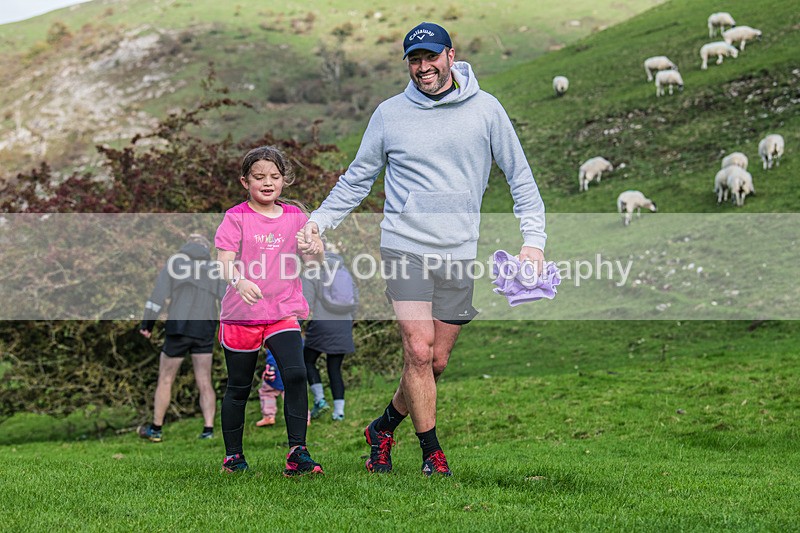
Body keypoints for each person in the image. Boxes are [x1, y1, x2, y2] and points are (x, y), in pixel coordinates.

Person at [301, 22, 547, 476]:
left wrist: (533, 243)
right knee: (417, 350)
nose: (423, 67)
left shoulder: (487, 110)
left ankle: (382, 427)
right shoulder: (390, 114)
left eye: (431, 57)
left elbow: (522, 180)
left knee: (435, 361)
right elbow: (357, 179)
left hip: (458, 251)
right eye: (414, 60)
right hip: (404, 245)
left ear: (450, 55)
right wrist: (317, 221)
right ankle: (431, 451)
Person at [215, 145, 325, 476]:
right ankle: (233, 457)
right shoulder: (236, 217)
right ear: (244, 181)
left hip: (282, 311)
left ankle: (298, 454)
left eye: (275, 177)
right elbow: (223, 263)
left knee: (295, 374)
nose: (267, 182)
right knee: (238, 385)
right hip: (241, 314)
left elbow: (315, 263)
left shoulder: (296, 218)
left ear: (284, 181)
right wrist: (239, 282)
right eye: (259, 177)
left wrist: (318, 250)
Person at [138, 233, 226, 442]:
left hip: (178, 327)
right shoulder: (214, 269)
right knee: (204, 380)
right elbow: (226, 299)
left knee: (166, 379)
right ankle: (208, 430)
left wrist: (147, 324)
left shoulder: (175, 264)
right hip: (204, 328)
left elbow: (158, 296)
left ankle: (156, 429)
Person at [302, 243, 357, 421]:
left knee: (307, 361)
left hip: (322, 324)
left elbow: (306, 305)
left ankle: (320, 400)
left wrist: (297, 325)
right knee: (335, 368)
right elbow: (355, 301)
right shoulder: (344, 271)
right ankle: (339, 413)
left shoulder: (313, 273)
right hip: (344, 325)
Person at [256, 351, 312, 427]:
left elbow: (273, 356)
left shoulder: (274, 340)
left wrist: (271, 369)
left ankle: (268, 416)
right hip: (293, 374)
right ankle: (304, 418)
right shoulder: (297, 341)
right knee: (295, 397)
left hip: (276, 376)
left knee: (267, 393)